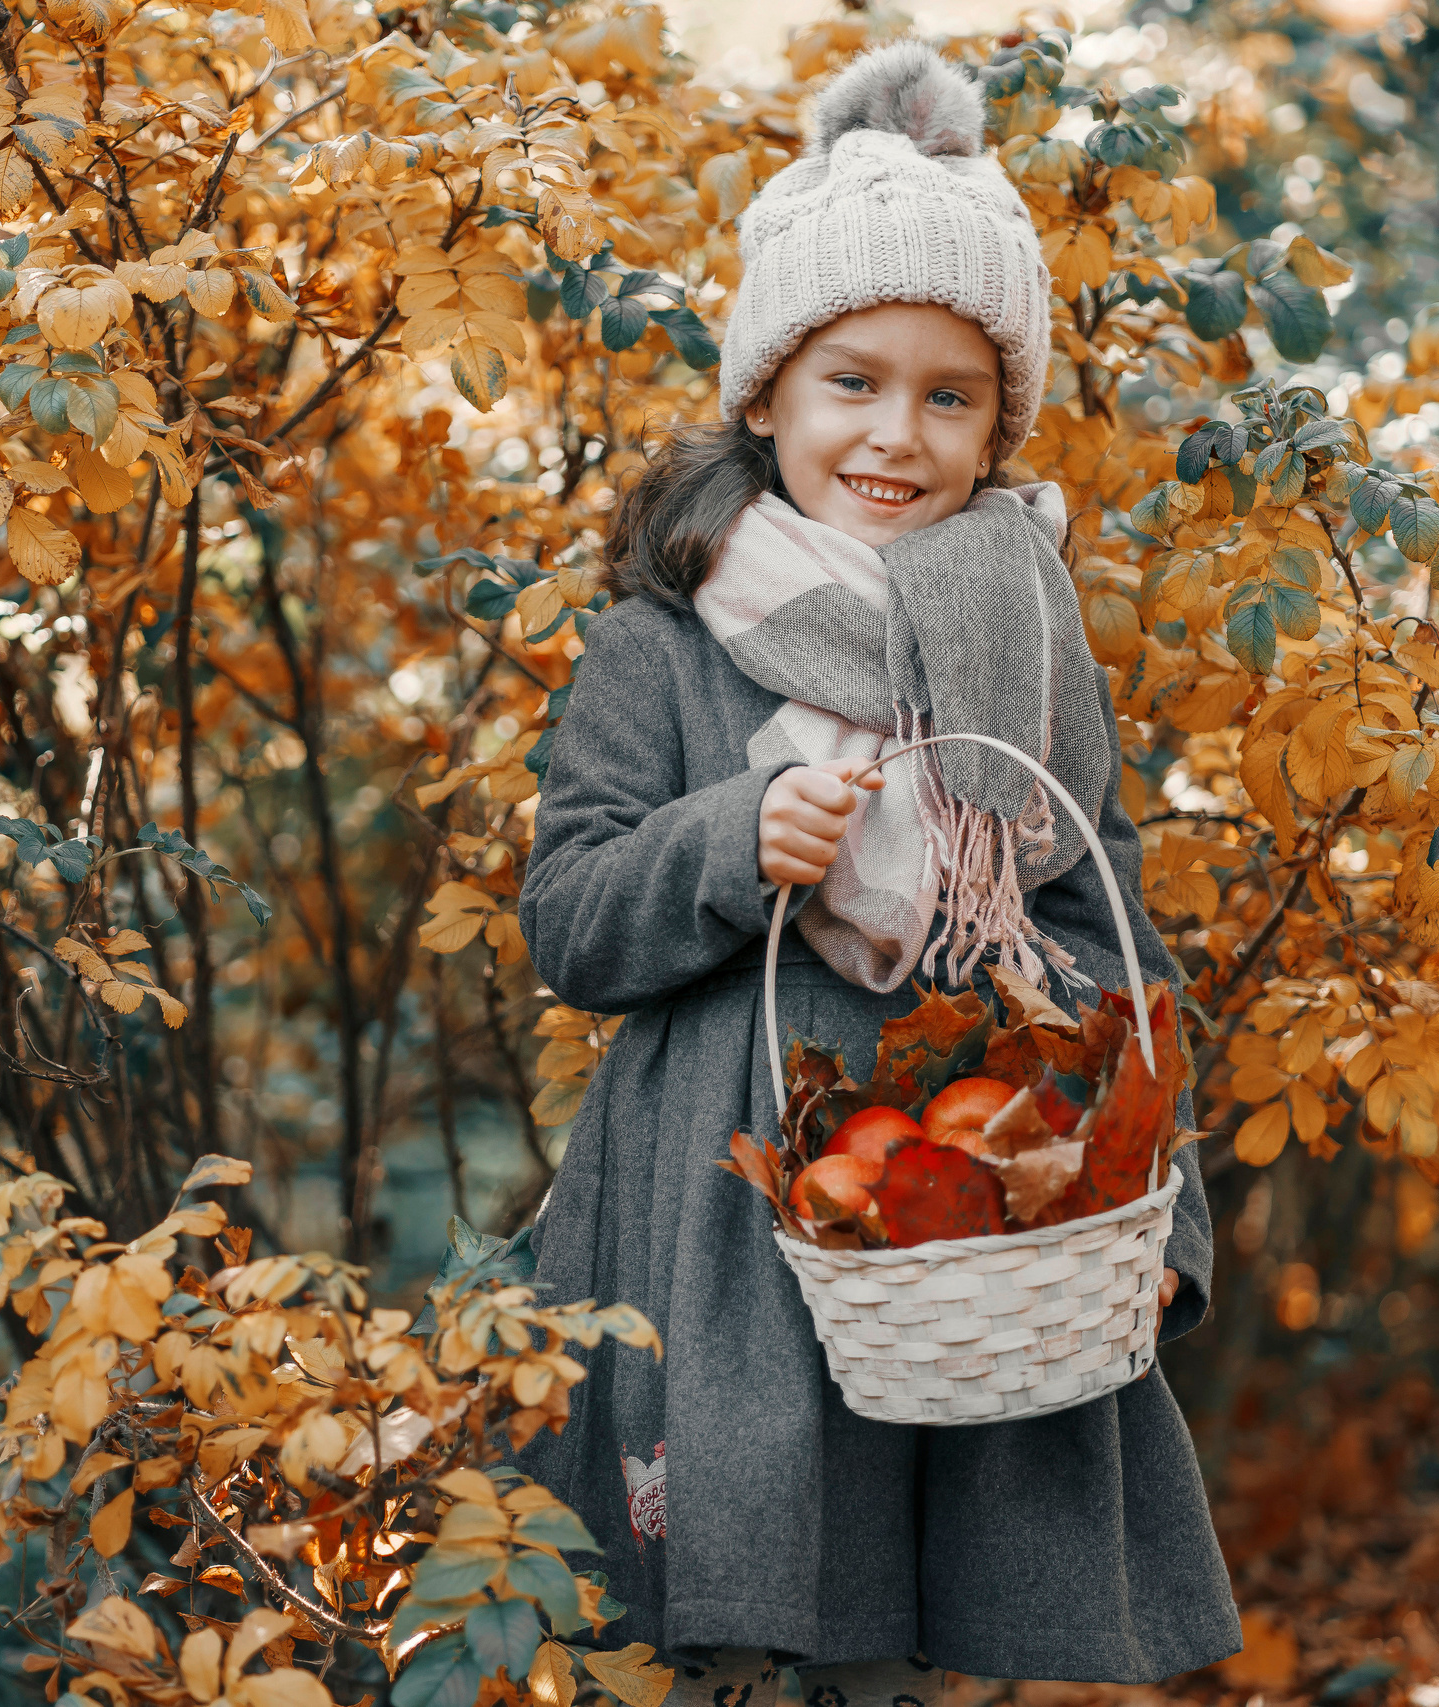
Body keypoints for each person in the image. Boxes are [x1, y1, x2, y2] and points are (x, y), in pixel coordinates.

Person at [515, 40, 1242, 1704]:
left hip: (966, 1212)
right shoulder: (662, 640)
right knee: (749, 1621)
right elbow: (570, 919)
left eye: (951, 393)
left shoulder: (1033, 644)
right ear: (766, 393)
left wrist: (1152, 1211)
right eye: (852, 381)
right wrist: (723, 844)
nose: (897, 434)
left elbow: (1113, 930)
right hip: (726, 1208)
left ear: (1000, 420)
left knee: (935, 1616)